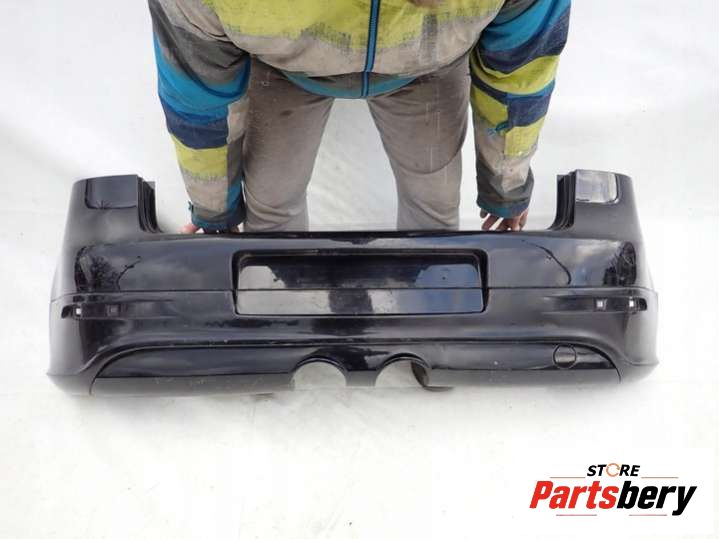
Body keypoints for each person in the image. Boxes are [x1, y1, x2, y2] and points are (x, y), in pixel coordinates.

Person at [148, 0, 570, 233]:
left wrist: (506, 186)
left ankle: (427, 326)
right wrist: (215, 210)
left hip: (427, 63)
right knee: (271, 205)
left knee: (435, 205)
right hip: (286, 66)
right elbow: (198, 90)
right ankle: (281, 321)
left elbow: (519, 73)